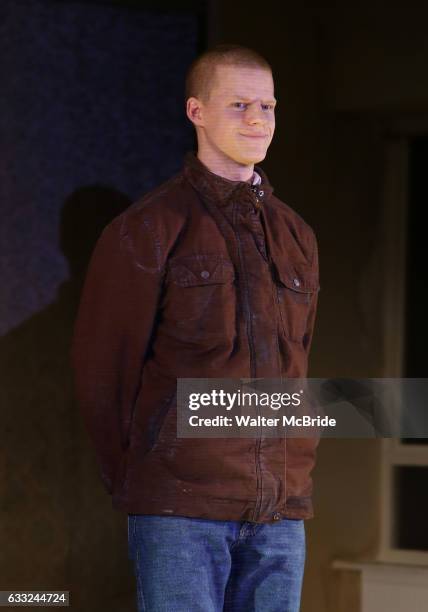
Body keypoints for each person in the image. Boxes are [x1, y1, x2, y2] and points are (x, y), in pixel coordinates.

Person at [71, 43, 320, 612]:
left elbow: (297, 366)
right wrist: (146, 483)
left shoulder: (296, 234)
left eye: (268, 105)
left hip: (281, 508)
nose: (258, 120)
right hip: (180, 507)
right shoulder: (148, 229)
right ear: (196, 112)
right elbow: (103, 377)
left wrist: (292, 467)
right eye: (238, 105)